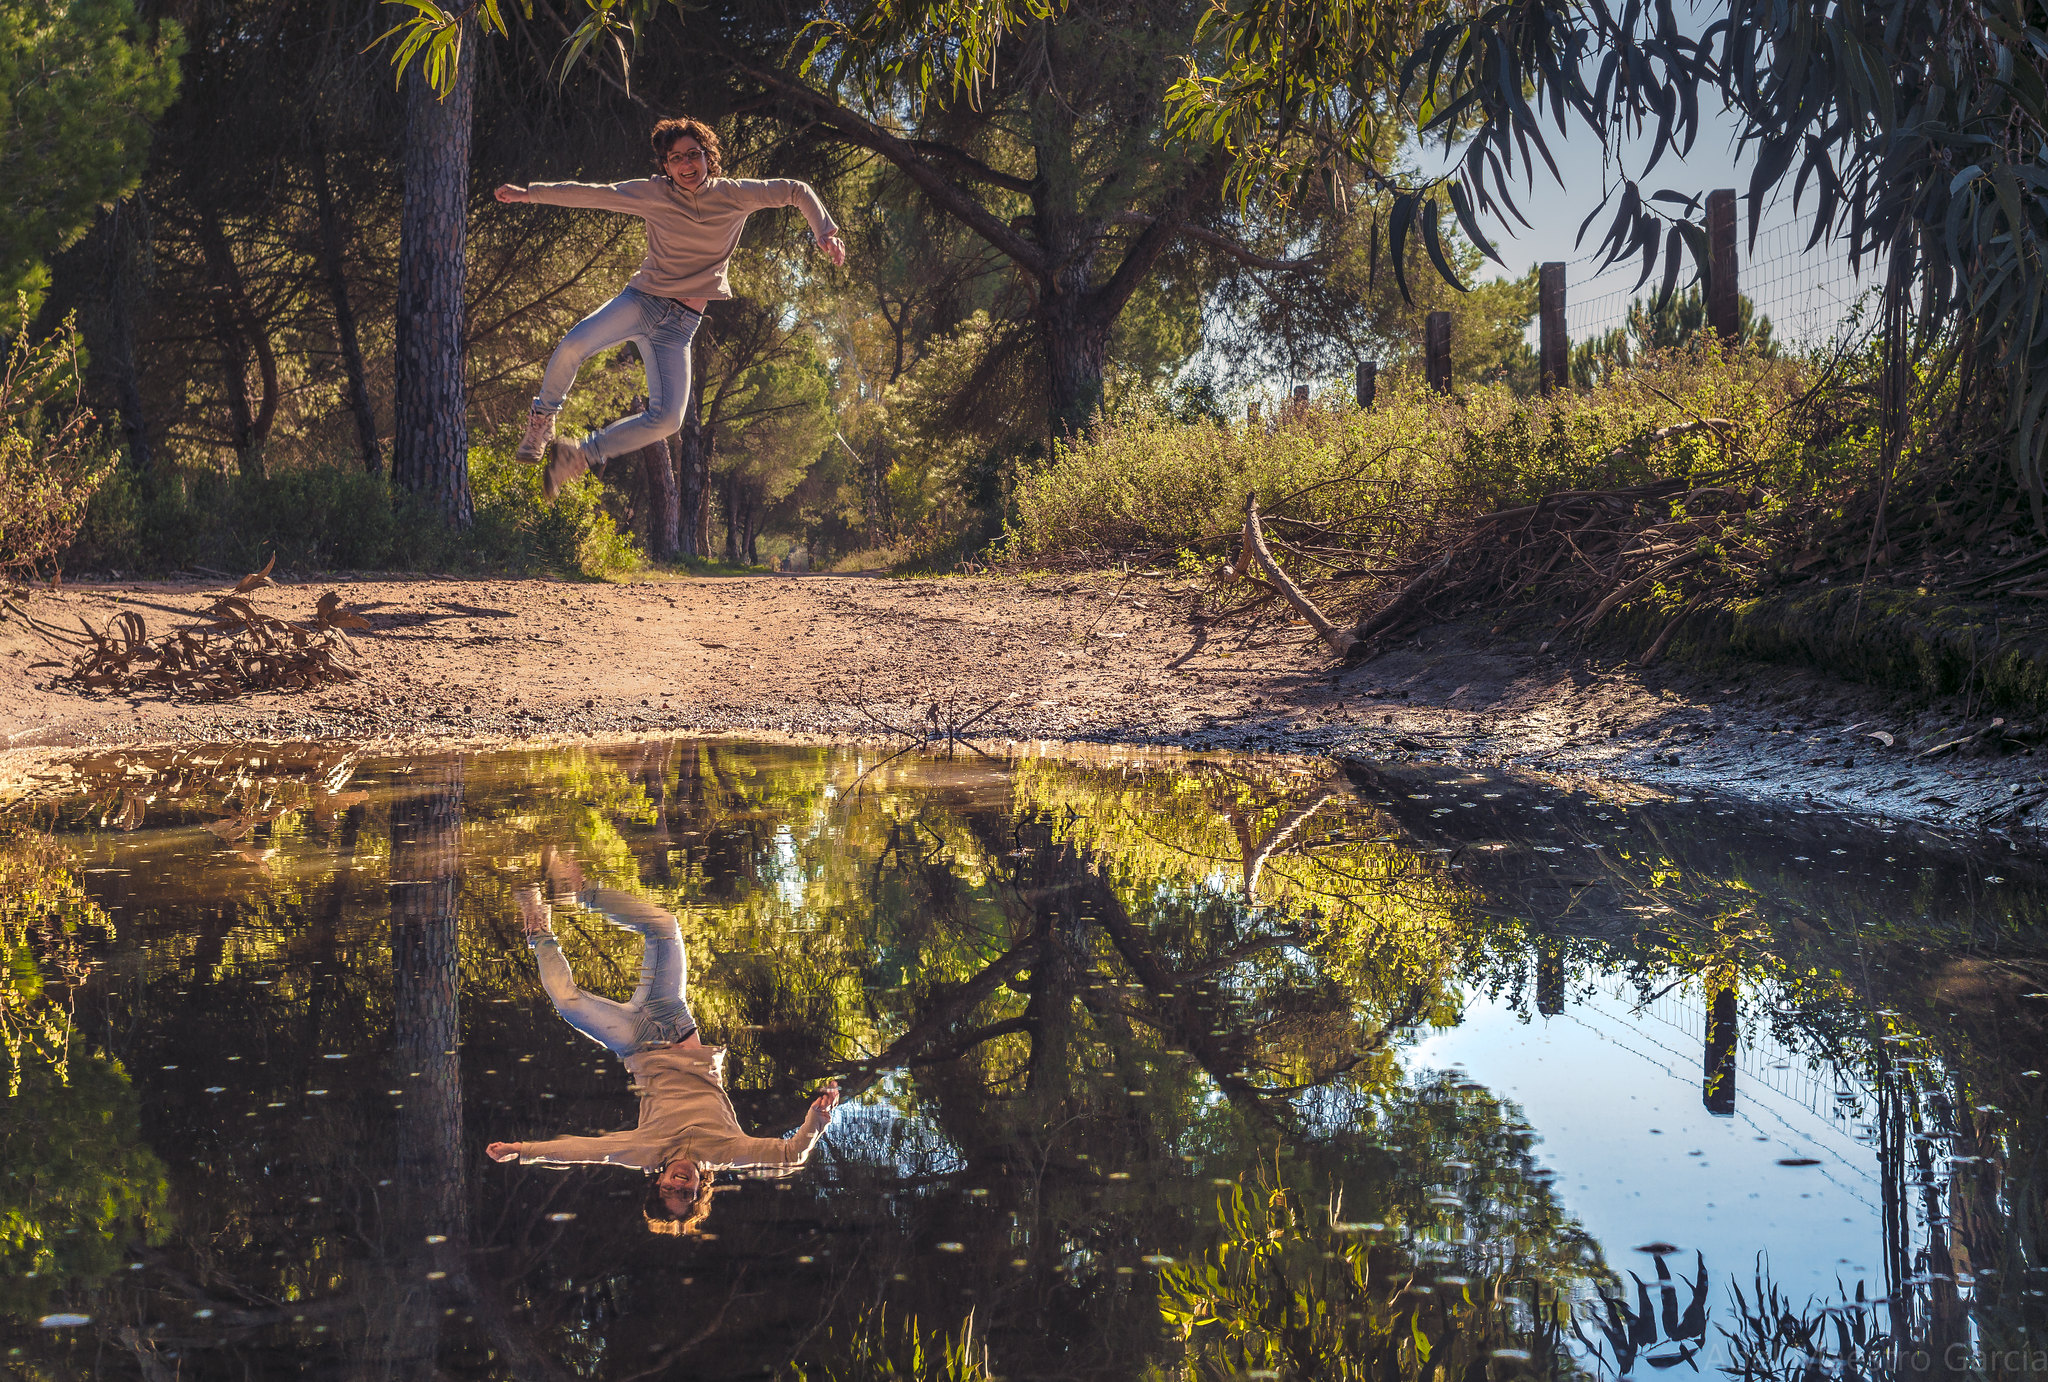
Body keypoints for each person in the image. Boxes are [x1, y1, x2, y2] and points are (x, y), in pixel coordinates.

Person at [485, 848, 840, 1236]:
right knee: (665, 927)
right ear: (699, 1190)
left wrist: (523, 1152)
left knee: (567, 1003)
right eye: (685, 1193)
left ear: (657, 1183)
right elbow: (789, 1158)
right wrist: (816, 1123)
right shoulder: (726, 1152)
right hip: (674, 1021)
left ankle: (538, 928)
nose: (678, 1184)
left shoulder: (644, 1152)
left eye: (669, 1190)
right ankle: (580, 891)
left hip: (636, 1044)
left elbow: (583, 1152)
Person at [493, 117, 848, 500]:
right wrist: (528, 194)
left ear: (708, 157)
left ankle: (578, 455)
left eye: (693, 155)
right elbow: (591, 193)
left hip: (680, 326)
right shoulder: (653, 193)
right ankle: (542, 420)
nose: (686, 165)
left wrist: (824, 231)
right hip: (642, 302)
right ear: (665, 165)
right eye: (676, 158)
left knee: (667, 419)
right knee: (574, 344)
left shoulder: (735, 195)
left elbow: (796, 190)